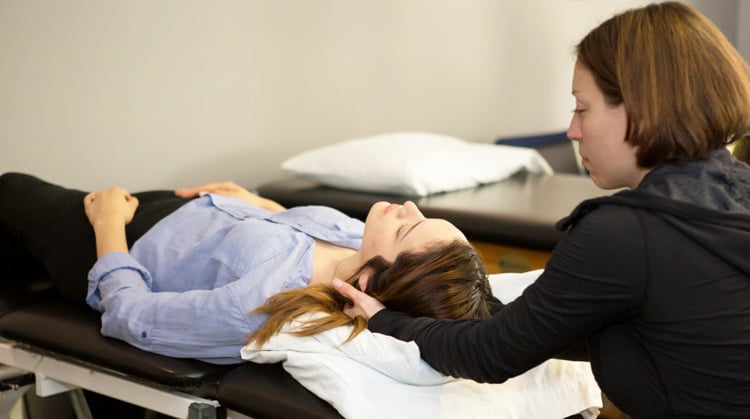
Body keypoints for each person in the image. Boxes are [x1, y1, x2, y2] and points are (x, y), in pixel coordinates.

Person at [333, 2, 750, 417]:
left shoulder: (625, 234)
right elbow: (560, 325)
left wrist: (384, 319)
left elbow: (490, 355)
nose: (572, 130)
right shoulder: (736, 193)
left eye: (582, 108)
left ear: (641, 109)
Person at [0, 173, 494, 364]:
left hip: (114, 243)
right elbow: (291, 230)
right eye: (424, 216)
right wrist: (255, 204)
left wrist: (107, 228)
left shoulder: (260, 307)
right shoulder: (355, 241)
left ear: (367, 285)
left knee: (9, 190)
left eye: (409, 227)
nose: (409, 206)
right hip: (164, 209)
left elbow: (131, 314)